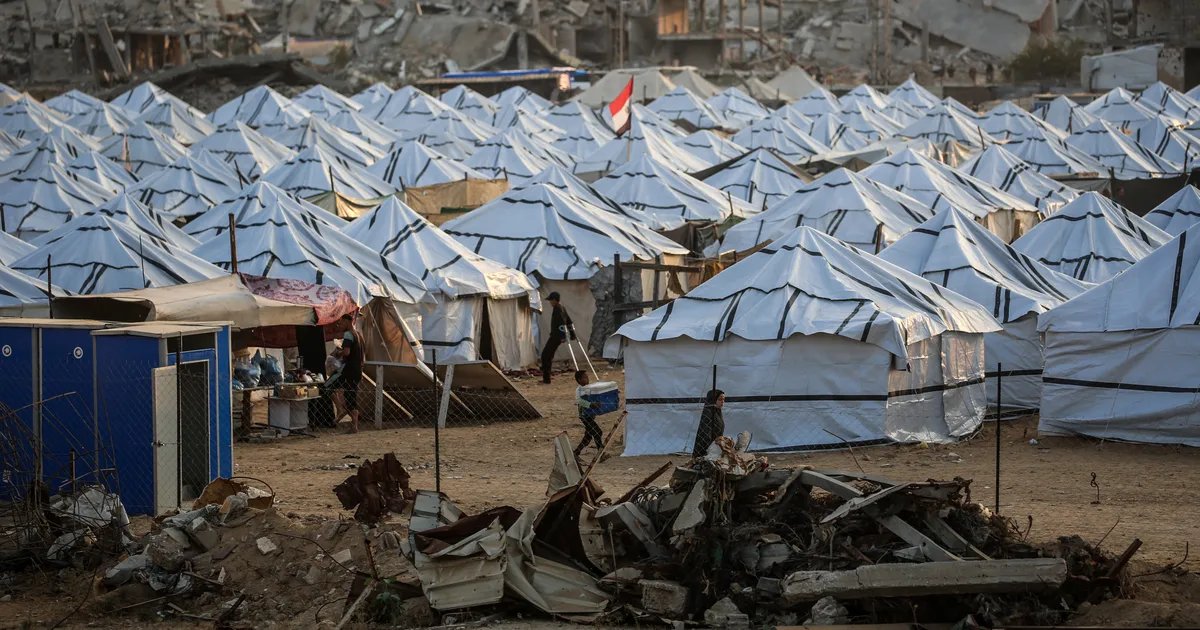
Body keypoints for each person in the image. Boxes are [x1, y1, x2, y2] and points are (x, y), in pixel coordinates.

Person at [540, 292, 574, 384]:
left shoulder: (558, 309)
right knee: (548, 356)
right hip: (556, 336)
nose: (550, 302)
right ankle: (546, 377)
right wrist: (572, 333)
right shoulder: (562, 308)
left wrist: (563, 336)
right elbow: (569, 321)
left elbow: (562, 322)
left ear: (555, 300)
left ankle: (546, 379)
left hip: (556, 336)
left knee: (545, 355)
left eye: (551, 300)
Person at [338, 315, 364, 433]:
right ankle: (353, 424)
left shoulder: (348, 335)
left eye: (342, 322)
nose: (340, 325)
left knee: (349, 397)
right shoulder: (357, 334)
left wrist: (339, 353)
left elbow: (347, 352)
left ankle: (354, 426)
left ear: (348, 321)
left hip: (350, 370)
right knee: (351, 396)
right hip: (357, 370)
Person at [573, 370, 604, 458]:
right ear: (579, 380)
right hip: (585, 416)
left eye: (587, 377)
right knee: (598, 432)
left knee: (588, 437)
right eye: (585, 378)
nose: (587, 379)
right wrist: (590, 405)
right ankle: (601, 454)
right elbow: (579, 401)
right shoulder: (579, 390)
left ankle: (576, 452)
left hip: (591, 415)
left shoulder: (589, 388)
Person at [691, 389, 725, 458]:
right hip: (706, 451)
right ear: (713, 400)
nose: (723, 402)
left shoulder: (718, 412)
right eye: (720, 399)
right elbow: (706, 436)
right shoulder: (708, 413)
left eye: (724, 399)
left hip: (715, 448)